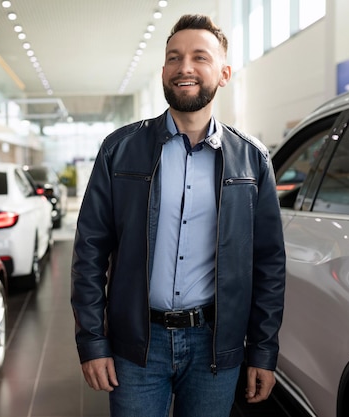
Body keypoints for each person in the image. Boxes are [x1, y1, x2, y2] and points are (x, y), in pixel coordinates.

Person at [70, 13, 286, 417]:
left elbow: (269, 264)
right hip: (137, 344)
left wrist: (263, 349)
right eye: (174, 57)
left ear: (223, 73)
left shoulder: (252, 160)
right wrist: (92, 341)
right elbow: (90, 251)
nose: (184, 67)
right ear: (164, 71)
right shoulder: (120, 150)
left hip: (214, 346)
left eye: (199, 57)